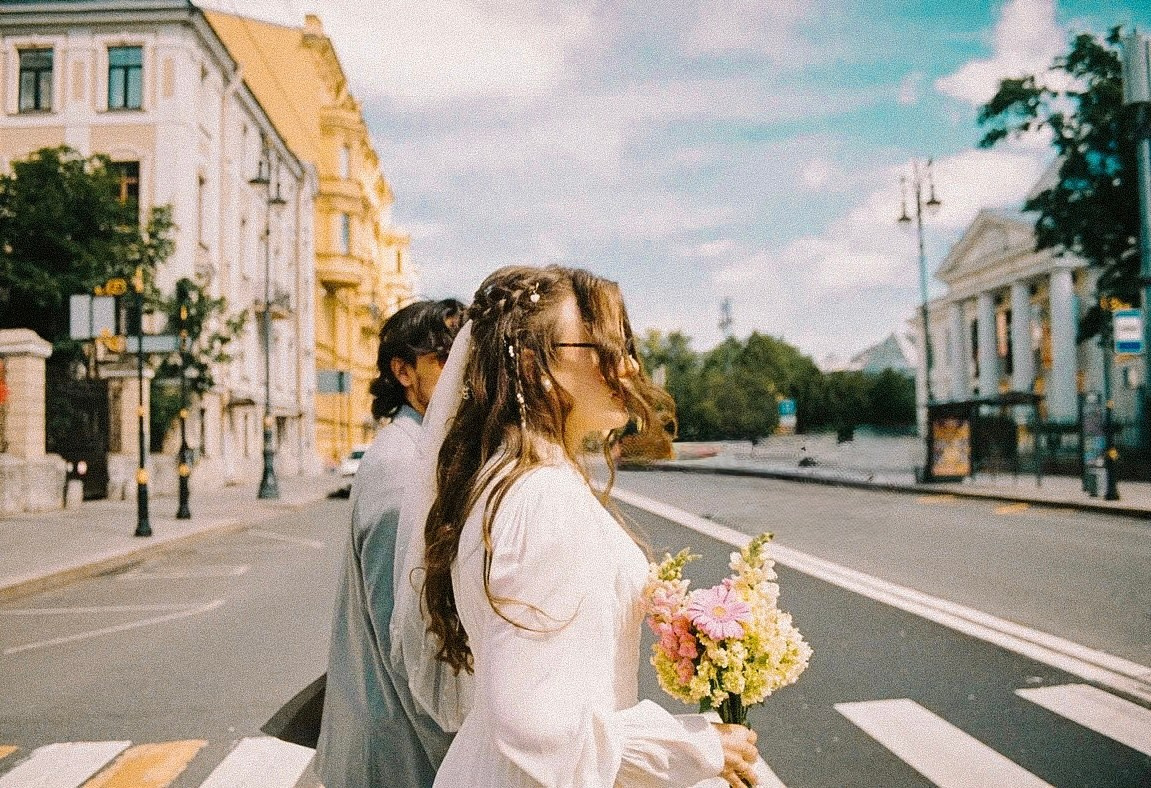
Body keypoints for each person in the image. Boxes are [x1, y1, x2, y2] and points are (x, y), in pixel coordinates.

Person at [408, 266, 761, 787]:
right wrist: (695, 747)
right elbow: (537, 728)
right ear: (534, 366)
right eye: (607, 347)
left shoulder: (516, 479)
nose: (630, 366)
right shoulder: (540, 498)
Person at [313, 297, 465, 788]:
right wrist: (465, 762)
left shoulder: (425, 453)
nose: (462, 370)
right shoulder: (403, 469)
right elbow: (407, 644)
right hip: (398, 757)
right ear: (403, 371)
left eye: (466, 353)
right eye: (444, 357)